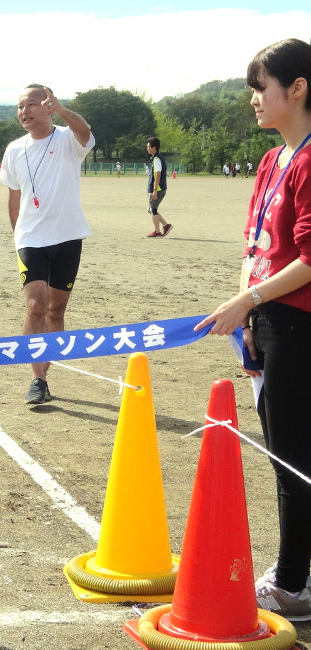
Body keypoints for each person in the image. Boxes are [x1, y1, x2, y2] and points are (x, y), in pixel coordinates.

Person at [196, 38, 311, 622]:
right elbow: (255, 244)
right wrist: (247, 311)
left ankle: (293, 586)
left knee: (293, 458)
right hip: (266, 320)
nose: (252, 100)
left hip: (299, 324)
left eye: (260, 88)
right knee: (284, 450)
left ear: (298, 89)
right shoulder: (271, 161)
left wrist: (249, 301)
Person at [0, 84, 94, 405]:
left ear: (48, 106)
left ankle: (46, 372)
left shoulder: (68, 139)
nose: (23, 112)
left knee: (56, 310)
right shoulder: (14, 150)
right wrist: (17, 236)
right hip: (30, 239)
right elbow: (13, 197)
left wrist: (64, 110)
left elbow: (85, 131)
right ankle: (37, 379)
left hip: (68, 236)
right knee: (36, 305)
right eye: (19, 107)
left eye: (30, 105)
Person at [146, 136, 172, 238]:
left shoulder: (157, 158)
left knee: (153, 210)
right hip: (159, 188)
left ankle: (157, 231)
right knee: (152, 209)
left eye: (148, 146)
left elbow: (158, 174)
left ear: (154, 147)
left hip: (158, 189)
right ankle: (166, 226)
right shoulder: (158, 157)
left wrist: (155, 190)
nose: (147, 148)